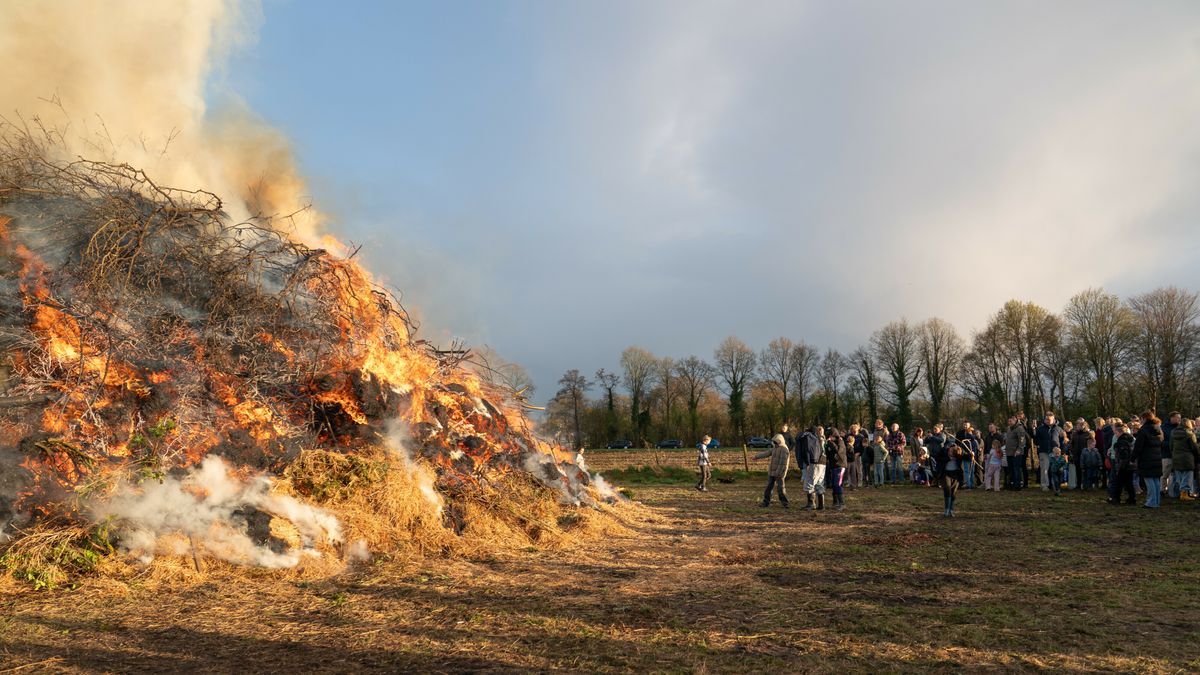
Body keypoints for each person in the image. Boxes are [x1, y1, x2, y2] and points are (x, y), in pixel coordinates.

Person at [1130, 412, 1165, 509]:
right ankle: (1156, 502)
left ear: (1145, 419)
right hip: (1157, 458)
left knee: (1149, 481)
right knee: (1156, 481)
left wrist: (1132, 458)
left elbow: (1138, 447)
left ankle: (1151, 502)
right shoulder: (1158, 429)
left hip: (1146, 459)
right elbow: (1162, 443)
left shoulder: (1144, 430)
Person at [932, 425, 964, 516]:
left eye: (953, 453)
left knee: (953, 493)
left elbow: (966, 456)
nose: (951, 453)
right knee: (947, 490)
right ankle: (946, 509)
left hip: (956, 474)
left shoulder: (958, 451)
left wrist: (971, 454)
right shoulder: (944, 450)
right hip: (946, 473)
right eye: (950, 451)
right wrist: (948, 458)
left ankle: (951, 509)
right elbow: (937, 458)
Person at [754, 434, 791, 508]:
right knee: (768, 488)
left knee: (780, 488)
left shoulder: (784, 449)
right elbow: (766, 453)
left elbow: (783, 463)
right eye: (774, 441)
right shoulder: (775, 448)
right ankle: (766, 502)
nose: (774, 443)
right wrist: (756, 456)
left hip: (780, 473)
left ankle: (785, 503)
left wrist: (778, 473)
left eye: (775, 441)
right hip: (772, 472)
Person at [1169, 418, 1199, 500]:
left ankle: (1180, 493)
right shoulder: (1190, 434)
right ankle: (1184, 494)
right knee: (1187, 476)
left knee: (1179, 476)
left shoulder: (1173, 433)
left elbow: (1171, 446)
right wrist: (1197, 456)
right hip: (1187, 458)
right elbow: (1194, 448)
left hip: (1176, 457)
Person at [1107, 422, 1137, 505]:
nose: (1115, 434)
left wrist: (1119, 467)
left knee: (1118, 483)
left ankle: (1116, 499)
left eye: (1116, 433)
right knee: (1128, 483)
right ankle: (1132, 498)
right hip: (1131, 465)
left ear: (1120, 432)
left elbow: (1123, 456)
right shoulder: (1131, 439)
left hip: (1123, 466)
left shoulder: (1121, 442)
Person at [1035, 412, 1066, 490]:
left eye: (1049, 419)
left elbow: (1063, 440)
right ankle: (1044, 485)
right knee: (1044, 469)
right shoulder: (1040, 429)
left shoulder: (1059, 429)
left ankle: (1055, 485)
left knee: (1055, 469)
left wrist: (1062, 451)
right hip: (1043, 451)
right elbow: (1036, 441)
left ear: (1054, 419)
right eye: (1046, 419)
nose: (1047, 421)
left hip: (1055, 453)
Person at [799, 426, 827, 510]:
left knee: (810, 482)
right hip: (823, 462)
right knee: (819, 482)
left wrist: (807, 463)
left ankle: (811, 504)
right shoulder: (822, 439)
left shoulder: (812, 439)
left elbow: (809, 451)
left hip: (815, 462)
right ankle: (821, 505)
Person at [826, 429, 848, 511]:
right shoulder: (830, 443)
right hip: (833, 466)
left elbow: (838, 451)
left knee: (838, 484)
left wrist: (830, 443)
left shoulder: (840, 442)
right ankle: (835, 502)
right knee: (834, 484)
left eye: (831, 436)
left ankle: (842, 503)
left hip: (840, 465)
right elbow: (828, 453)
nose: (830, 438)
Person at [1005, 417, 1028, 490]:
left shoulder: (1020, 428)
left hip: (1016, 453)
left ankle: (1017, 485)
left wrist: (1019, 450)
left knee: (1016, 469)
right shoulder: (1009, 429)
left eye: (1010, 421)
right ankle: (1012, 484)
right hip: (1009, 452)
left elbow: (1022, 441)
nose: (1009, 422)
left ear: (1015, 421)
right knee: (1011, 469)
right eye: (1008, 421)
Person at [1161, 412, 1180, 497]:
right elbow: (1161, 441)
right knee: (1165, 474)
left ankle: (1174, 491)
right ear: (1171, 418)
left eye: (1180, 418)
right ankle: (1162, 490)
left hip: (1177, 455)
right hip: (1166, 454)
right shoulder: (1164, 428)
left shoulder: (1180, 428)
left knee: (1176, 475)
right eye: (1177, 418)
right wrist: (1171, 444)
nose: (1179, 419)